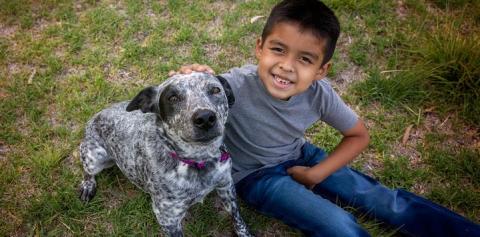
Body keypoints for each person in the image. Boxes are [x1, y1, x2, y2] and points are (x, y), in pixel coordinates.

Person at [169, 0, 480, 236]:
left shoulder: (320, 94)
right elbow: (189, 92)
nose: (287, 67)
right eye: (278, 50)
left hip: (302, 156)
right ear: (259, 48)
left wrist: (317, 173)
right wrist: (188, 74)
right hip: (253, 176)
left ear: (321, 70)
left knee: (383, 201)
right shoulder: (230, 85)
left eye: (305, 59)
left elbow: (358, 135)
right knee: (340, 226)